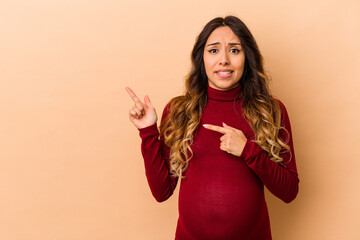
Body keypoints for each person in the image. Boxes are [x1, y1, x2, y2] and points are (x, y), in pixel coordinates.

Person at [125, 15, 299, 240]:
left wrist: (248, 151)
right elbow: (161, 192)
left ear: (247, 57)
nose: (224, 60)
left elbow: (289, 191)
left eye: (235, 50)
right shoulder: (179, 111)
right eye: (214, 50)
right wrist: (148, 131)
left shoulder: (271, 111)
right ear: (202, 58)